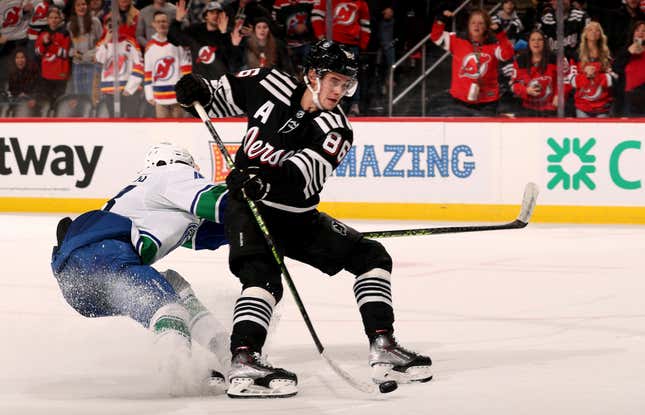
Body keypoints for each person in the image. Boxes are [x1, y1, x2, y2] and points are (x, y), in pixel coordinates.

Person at [174, 39, 432, 399]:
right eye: (335, 81)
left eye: (347, 84)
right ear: (312, 75)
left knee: (371, 257)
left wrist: (262, 180)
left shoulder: (336, 127)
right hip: (250, 212)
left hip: (298, 219)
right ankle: (245, 358)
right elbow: (211, 99)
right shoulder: (268, 83)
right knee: (263, 282)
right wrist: (193, 89)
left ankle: (383, 345)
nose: (340, 91)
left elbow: (301, 178)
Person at [51, 142, 231, 394]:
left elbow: (208, 235)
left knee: (173, 286)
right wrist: (252, 197)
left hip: (76, 282)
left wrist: (250, 225)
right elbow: (219, 203)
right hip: (104, 254)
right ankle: (178, 372)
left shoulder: (149, 199)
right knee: (168, 307)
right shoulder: (170, 174)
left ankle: (226, 351)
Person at [430, 8, 514, 116]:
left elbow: (507, 55)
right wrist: (441, 19)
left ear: (486, 27)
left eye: (480, 23)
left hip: (488, 101)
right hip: (460, 99)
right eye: (473, 22)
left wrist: (500, 34)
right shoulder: (457, 40)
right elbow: (436, 36)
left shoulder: (494, 44)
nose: (476, 26)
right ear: (468, 25)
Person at [169, 0, 243, 79]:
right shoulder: (195, 31)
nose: (215, 15)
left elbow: (234, 64)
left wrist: (225, 36)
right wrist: (177, 21)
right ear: (205, 16)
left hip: (221, 83)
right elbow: (174, 40)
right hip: (200, 82)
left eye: (218, 13)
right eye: (212, 12)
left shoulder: (229, 34)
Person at [144, 11, 192, 118]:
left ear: (168, 23)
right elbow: (148, 72)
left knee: (180, 129)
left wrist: (187, 90)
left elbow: (186, 68)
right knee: (163, 131)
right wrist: (149, 93)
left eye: (164, 21)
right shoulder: (150, 47)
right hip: (159, 97)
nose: (161, 24)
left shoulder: (177, 44)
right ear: (154, 24)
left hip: (178, 96)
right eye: (158, 21)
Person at [95, 19, 144, 117]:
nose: (112, 28)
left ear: (119, 26)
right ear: (105, 27)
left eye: (115, 25)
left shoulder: (130, 42)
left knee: (133, 121)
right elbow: (100, 60)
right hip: (110, 90)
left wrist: (130, 88)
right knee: (115, 123)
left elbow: (140, 65)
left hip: (129, 91)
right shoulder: (101, 44)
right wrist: (106, 42)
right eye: (109, 25)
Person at [569, 21, 615, 117]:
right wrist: (585, 75)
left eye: (597, 30)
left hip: (602, 106)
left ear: (600, 34)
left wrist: (596, 75)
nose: (594, 32)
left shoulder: (607, 55)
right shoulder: (576, 55)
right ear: (585, 34)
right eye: (590, 29)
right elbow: (571, 80)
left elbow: (613, 78)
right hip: (582, 106)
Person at [511, 29, 561, 117]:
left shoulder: (555, 59)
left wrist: (558, 95)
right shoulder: (520, 60)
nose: (536, 42)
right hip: (526, 108)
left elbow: (563, 81)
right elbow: (513, 85)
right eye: (533, 40)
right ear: (528, 43)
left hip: (549, 108)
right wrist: (525, 90)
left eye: (539, 39)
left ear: (544, 42)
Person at [35, 7, 71, 108]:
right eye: (51, 17)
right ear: (47, 19)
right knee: (47, 102)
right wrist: (43, 44)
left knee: (60, 103)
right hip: (46, 74)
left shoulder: (65, 33)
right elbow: (38, 52)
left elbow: (64, 53)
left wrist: (50, 44)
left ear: (60, 19)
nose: (54, 20)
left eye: (56, 17)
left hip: (60, 73)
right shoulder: (42, 33)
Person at [67, 0, 103, 98]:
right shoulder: (70, 25)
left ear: (87, 6)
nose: (81, 7)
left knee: (92, 95)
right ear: (74, 8)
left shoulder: (95, 21)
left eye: (83, 4)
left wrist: (88, 55)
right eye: (78, 5)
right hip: (77, 64)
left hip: (93, 64)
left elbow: (102, 44)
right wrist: (72, 52)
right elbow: (70, 46)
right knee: (79, 95)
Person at [614, 20, 645, 116]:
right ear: (633, 32)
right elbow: (616, 67)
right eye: (637, 30)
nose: (640, 33)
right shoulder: (625, 49)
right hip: (628, 96)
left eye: (644, 31)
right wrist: (628, 52)